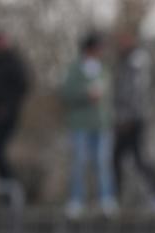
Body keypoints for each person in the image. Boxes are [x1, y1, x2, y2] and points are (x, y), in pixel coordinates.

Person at [61, 32, 117, 218]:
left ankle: (106, 200)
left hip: (101, 124)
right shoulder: (75, 69)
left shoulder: (103, 69)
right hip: (80, 125)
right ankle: (76, 200)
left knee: (102, 163)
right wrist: (86, 94)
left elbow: (108, 96)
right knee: (79, 162)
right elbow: (66, 93)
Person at [112, 29, 155, 203]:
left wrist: (127, 118)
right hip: (129, 118)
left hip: (133, 120)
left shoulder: (135, 61)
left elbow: (135, 92)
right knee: (125, 158)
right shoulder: (126, 60)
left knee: (134, 158)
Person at [0, 31, 29, 180]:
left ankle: (10, 185)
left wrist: (7, 107)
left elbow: (23, 87)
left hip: (7, 115)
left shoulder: (14, 62)